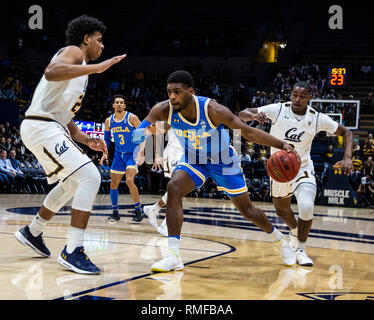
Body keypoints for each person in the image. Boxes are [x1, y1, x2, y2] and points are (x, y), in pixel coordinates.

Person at [132, 70, 300, 273]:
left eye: (177, 91)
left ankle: (279, 240)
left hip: (224, 160)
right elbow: (136, 134)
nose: (172, 96)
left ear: (190, 92)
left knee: (248, 211)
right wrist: (147, 132)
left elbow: (247, 132)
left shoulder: (212, 109)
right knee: (174, 187)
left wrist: (282, 144)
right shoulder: (163, 109)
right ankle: (174, 256)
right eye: (169, 92)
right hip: (194, 159)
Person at [14, 15, 126, 275]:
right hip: (41, 126)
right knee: (90, 176)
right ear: (86, 38)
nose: (103, 46)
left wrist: (88, 140)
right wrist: (96, 68)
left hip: (49, 126)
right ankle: (73, 250)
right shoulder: (74, 52)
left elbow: (67, 117)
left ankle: (33, 232)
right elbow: (51, 72)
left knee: (73, 182)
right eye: (99, 40)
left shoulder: (80, 68)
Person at [238, 81, 353, 267]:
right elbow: (242, 114)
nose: (297, 99)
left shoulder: (317, 118)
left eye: (302, 96)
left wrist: (348, 157)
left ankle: (300, 249)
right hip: (278, 169)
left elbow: (347, 132)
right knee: (282, 210)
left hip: (302, 167)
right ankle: (293, 230)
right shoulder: (277, 109)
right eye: (294, 95)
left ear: (309, 97)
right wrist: (254, 115)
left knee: (306, 206)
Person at [100, 94, 146, 223]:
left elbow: (143, 133)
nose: (119, 104)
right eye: (117, 102)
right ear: (113, 105)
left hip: (132, 154)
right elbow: (107, 139)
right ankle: (115, 212)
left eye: (121, 102)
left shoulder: (132, 118)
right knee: (113, 184)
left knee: (129, 180)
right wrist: (105, 153)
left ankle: (138, 210)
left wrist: (142, 152)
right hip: (118, 155)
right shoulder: (109, 121)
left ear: (124, 105)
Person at [143, 123, 184, 236]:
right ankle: (167, 224)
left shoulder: (196, 114)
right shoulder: (173, 112)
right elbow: (158, 131)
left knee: (181, 189)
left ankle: (154, 209)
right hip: (173, 153)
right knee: (177, 189)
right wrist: (157, 155)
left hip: (185, 154)